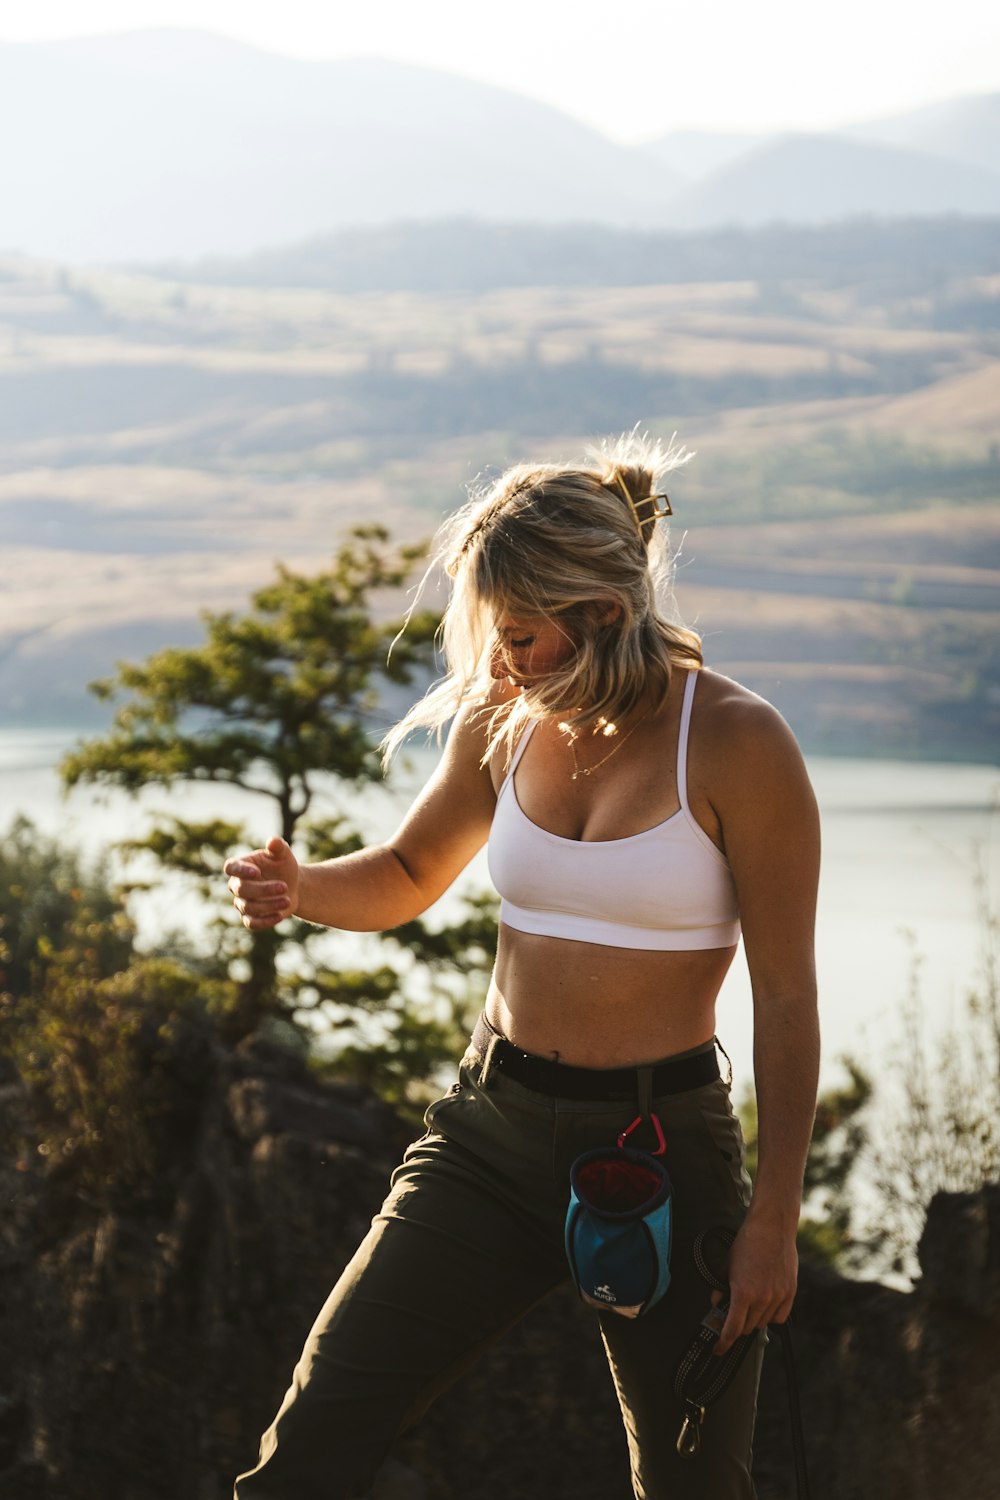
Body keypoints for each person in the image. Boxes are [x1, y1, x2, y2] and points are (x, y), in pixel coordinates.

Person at [224, 432, 820, 1500]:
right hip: (486, 1136)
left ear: (599, 612)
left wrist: (773, 1219)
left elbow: (783, 994)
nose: (497, 666)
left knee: (691, 1485)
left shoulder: (738, 741)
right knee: (309, 1447)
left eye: (519, 635)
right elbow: (409, 868)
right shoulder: (504, 721)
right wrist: (301, 886)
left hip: (664, 1148)